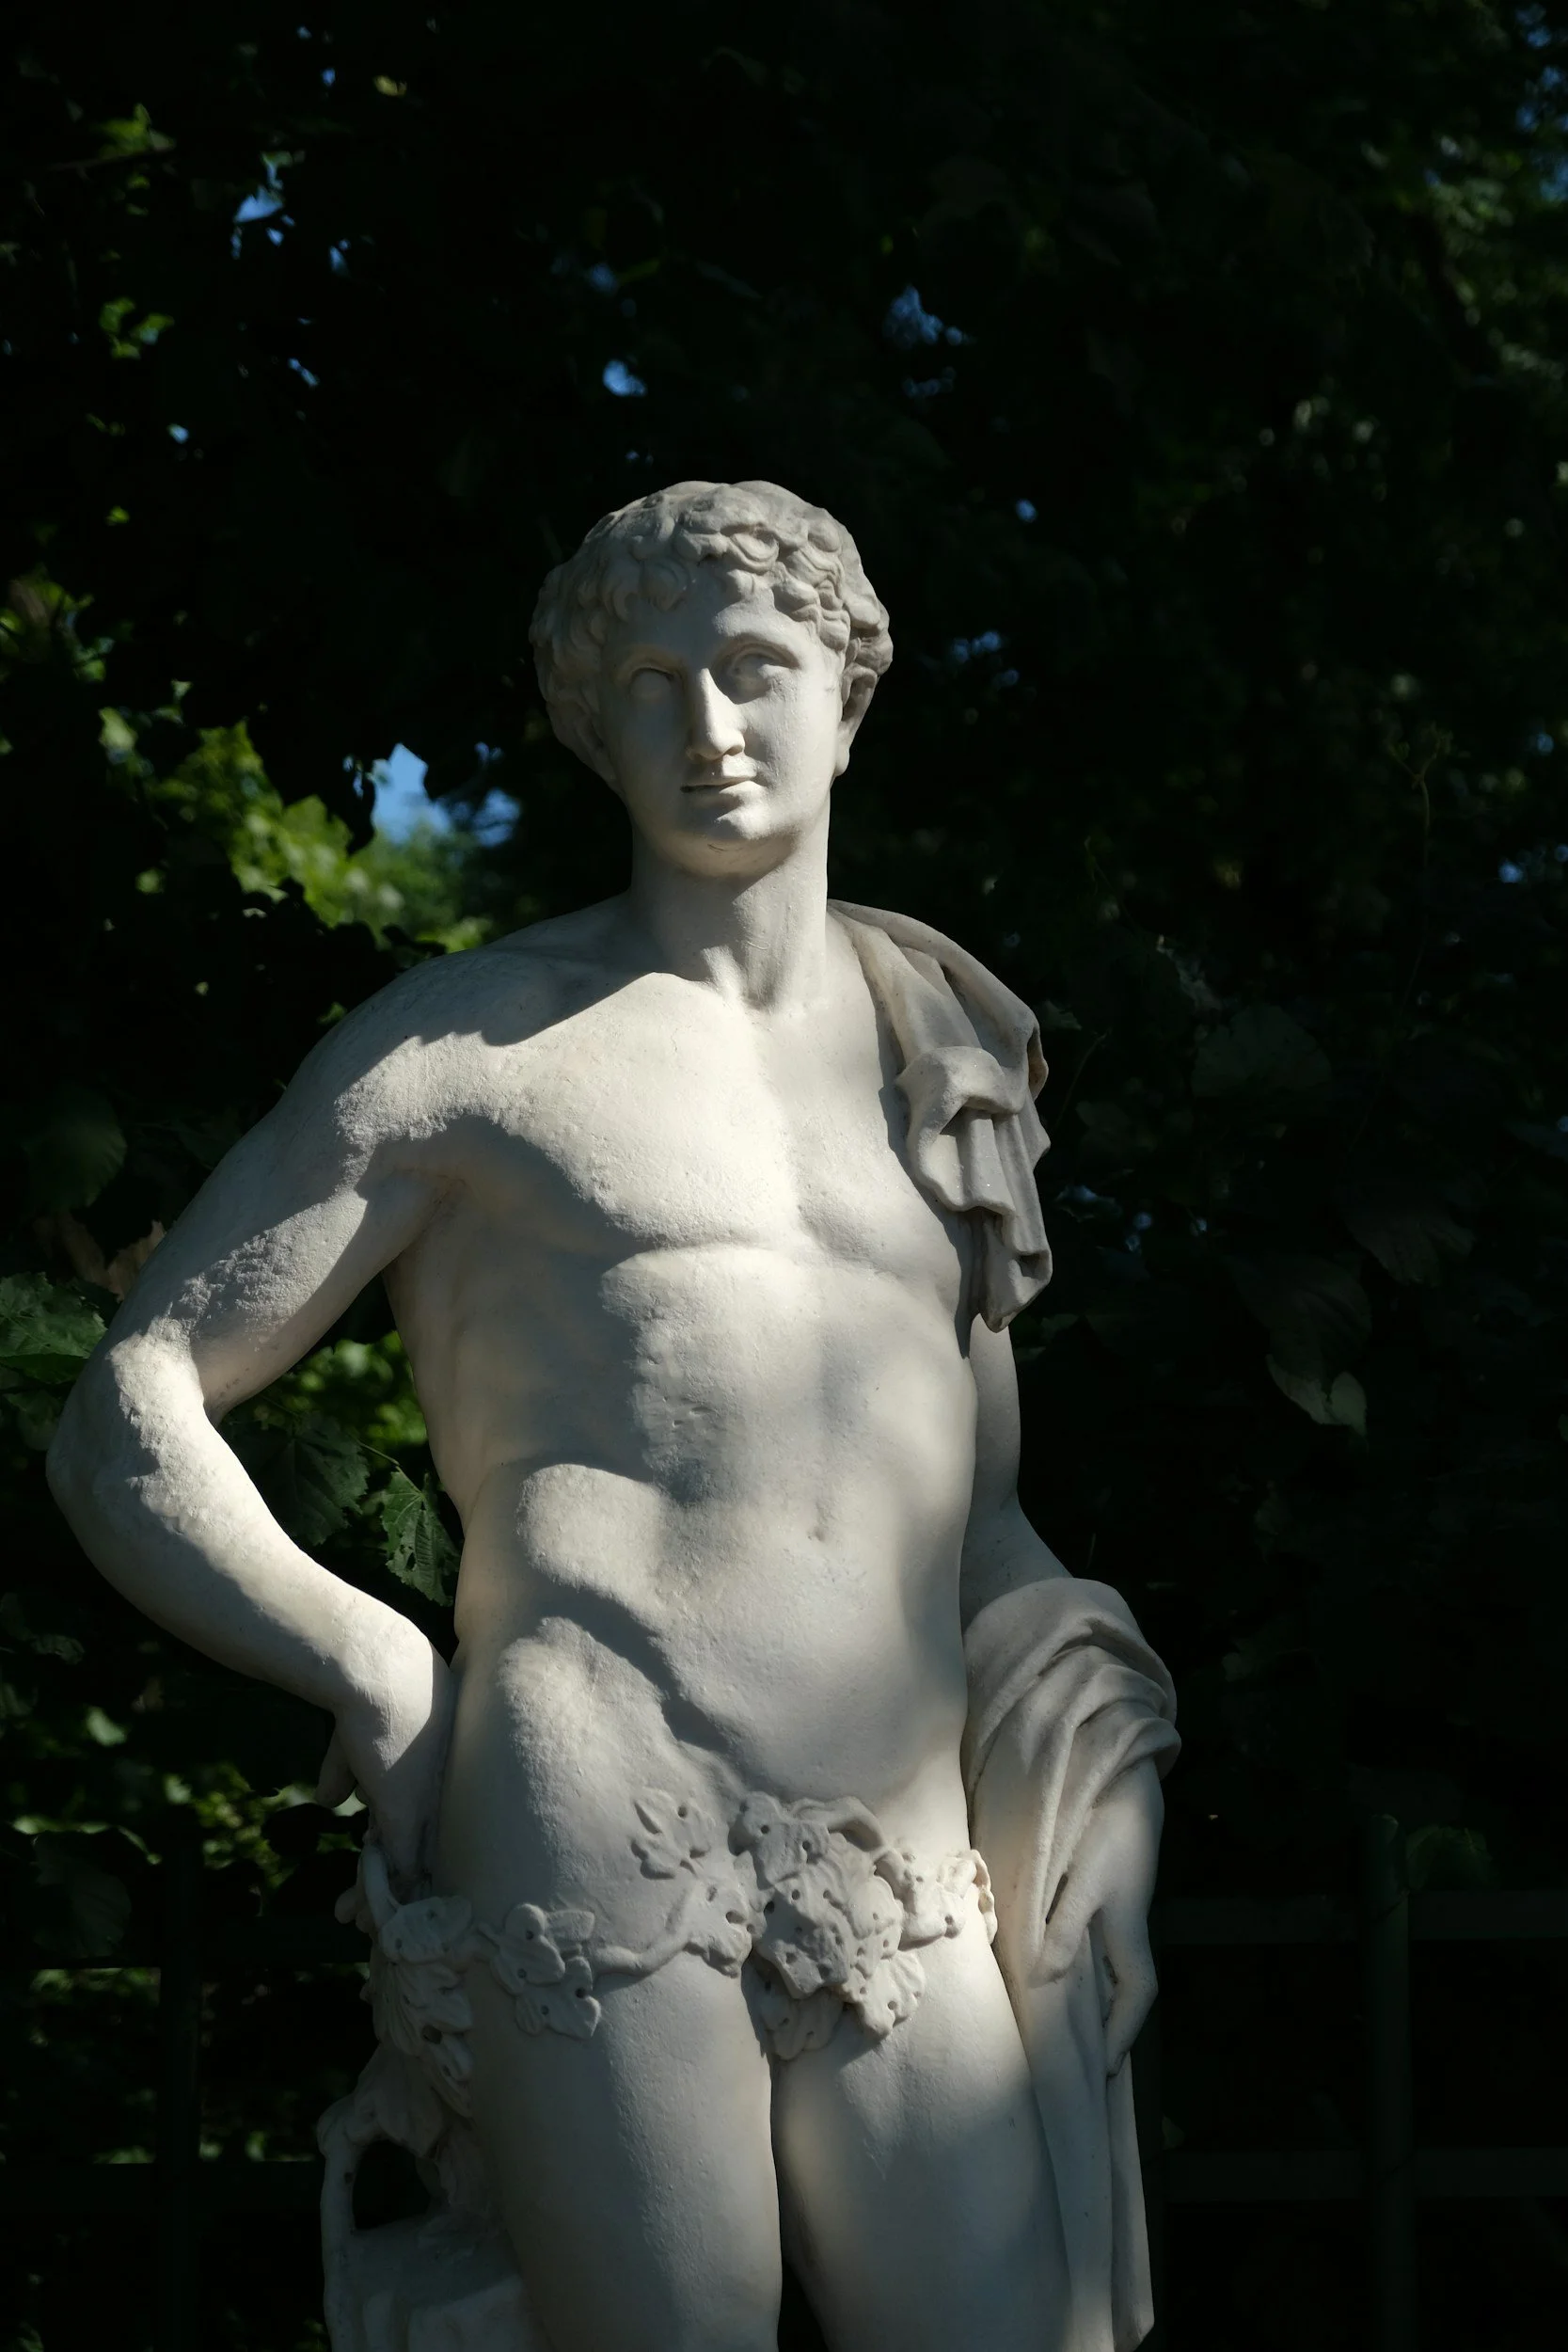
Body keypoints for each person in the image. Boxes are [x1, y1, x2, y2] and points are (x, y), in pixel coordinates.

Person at [48, 481, 1178, 2352]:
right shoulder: (471, 1047)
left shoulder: (934, 1072)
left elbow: (977, 1528)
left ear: (846, 696)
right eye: (650, 685)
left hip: (897, 1822)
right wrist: (369, 1660)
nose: (709, 726)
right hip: (597, 1776)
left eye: (752, 667)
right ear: (592, 729)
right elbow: (129, 1407)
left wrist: (1098, 1793)